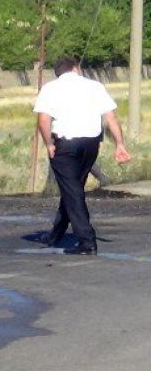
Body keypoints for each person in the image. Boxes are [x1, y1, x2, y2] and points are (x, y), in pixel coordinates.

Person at [33, 57, 132, 255]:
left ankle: (87, 242)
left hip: (65, 145)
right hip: (91, 144)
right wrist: (120, 144)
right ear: (76, 68)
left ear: (59, 73)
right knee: (72, 189)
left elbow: (43, 120)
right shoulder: (95, 86)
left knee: (73, 191)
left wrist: (49, 144)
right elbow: (110, 116)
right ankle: (55, 235)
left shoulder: (50, 88)